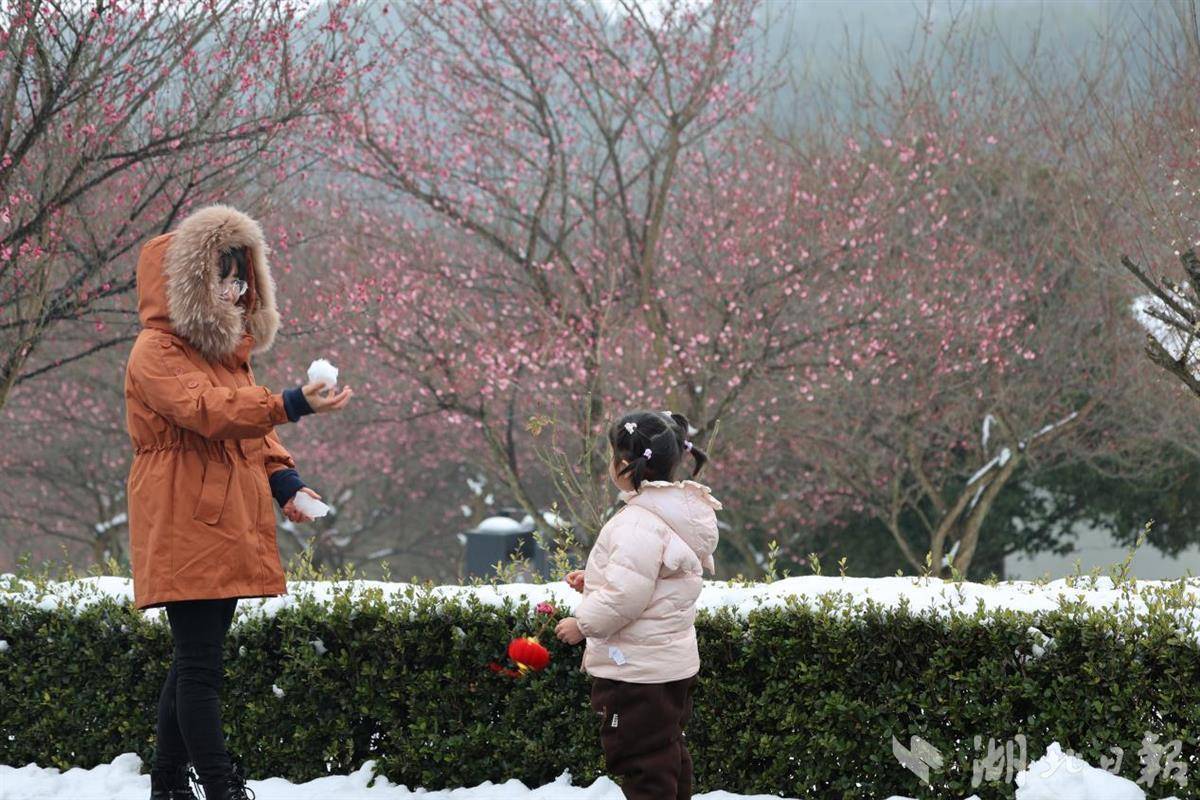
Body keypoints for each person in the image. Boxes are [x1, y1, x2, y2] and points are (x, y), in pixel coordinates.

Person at [123, 205, 353, 800]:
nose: (236, 289)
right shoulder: (157, 351)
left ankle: (168, 785)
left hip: (223, 519)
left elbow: (253, 430)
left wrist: (286, 484)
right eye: (223, 277)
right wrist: (292, 401)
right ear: (187, 284)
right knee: (200, 669)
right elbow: (214, 413)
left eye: (240, 276)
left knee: (192, 660)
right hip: (185, 517)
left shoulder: (224, 353)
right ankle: (219, 789)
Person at [555, 410, 721, 800]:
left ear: (627, 464)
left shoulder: (638, 521)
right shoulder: (673, 513)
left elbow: (626, 597)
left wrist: (582, 623)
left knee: (642, 761)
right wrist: (594, 580)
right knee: (665, 752)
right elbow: (642, 580)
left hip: (637, 672)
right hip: (668, 666)